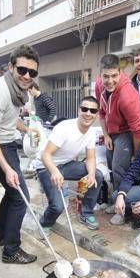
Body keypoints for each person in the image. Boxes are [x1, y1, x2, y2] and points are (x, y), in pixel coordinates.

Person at [0, 44, 41, 264]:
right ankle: (11, 249)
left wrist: (27, 129)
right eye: (22, 70)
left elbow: (10, 119)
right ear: (11, 67)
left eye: (32, 72)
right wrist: (7, 168)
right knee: (21, 197)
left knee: (12, 193)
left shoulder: (17, 91)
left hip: (5, 142)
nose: (26, 76)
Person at [34, 96, 103, 232]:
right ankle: (45, 224)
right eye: (84, 109)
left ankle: (86, 213)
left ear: (96, 114)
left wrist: (91, 174)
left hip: (66, 165)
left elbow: (90, 158)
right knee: (57, 206)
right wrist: (54, 171)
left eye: (92, 111)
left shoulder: (91, 132)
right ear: (79, 110)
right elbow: (45, 155)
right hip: (46, 166)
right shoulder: (65, 128)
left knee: (98, 176)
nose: (88, 113)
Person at [94, 53, 140, 225]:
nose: (110, 81)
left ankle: (125, 211)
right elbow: (101, 113)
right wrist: (106, 134)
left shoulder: (127, 96)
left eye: (114, 76)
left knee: (119, 168)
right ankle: (116, 201)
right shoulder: (99, 85)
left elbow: (138, 130)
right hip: (111, 132)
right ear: (100, 74)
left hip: (126, 132)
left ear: (120, 72)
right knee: (111, 167)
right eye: (106, 76)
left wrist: (136, 155)